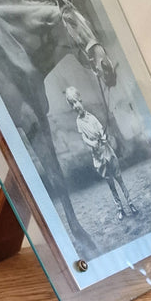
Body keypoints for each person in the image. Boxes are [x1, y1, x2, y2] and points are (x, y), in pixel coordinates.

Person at [64, 87, 130, 215]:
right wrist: (91, 143)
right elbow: (84, 137)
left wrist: (103, 137)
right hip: (98, 155)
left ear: (81, 101)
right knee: (111, 184)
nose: (75, 106)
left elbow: (100, 128)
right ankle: (120, 208)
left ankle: (130, 202)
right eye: (72, 105)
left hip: (107, 151)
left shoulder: (92, 117)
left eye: (76, 102)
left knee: (119, 179)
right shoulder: (79, 122)